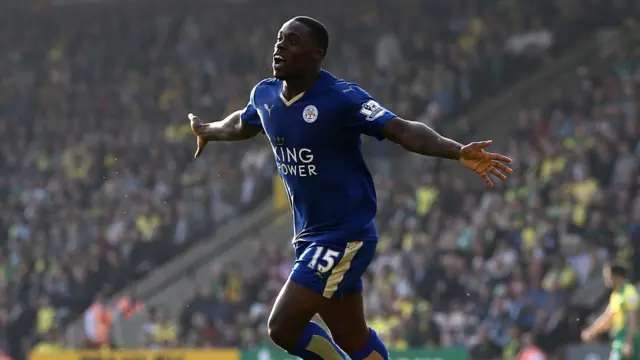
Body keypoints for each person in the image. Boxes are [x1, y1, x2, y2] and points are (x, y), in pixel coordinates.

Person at [189, 16, 512, 360]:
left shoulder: (341, 98)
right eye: (279, 39)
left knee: (283, 327)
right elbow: (242, 122)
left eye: (292, 41)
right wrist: (208, 130)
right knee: (351, 337)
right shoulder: (265, 94)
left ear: (317, 54)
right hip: (310, 237)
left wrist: (457, 150)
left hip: (344, 234)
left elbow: (400, 129)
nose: (280, 46)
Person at [582, 261, 639, 360]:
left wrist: (629, 341)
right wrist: (592, 331)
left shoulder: (629, 292)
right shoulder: (616, 294)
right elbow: (608, 316)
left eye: (607, 274)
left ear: (617, 276)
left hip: (629, 338)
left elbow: (633, 318)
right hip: (620, 338)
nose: (605, 278)